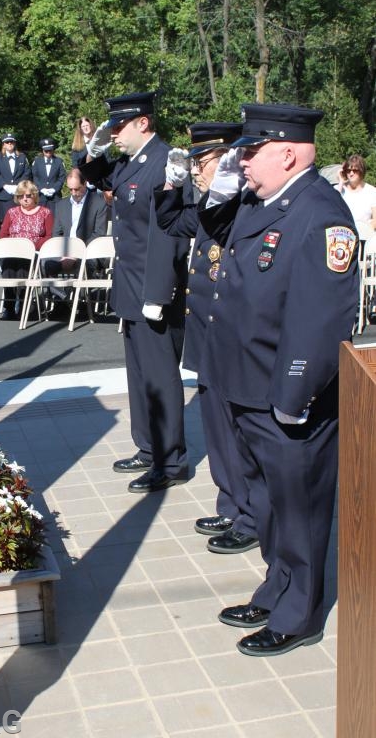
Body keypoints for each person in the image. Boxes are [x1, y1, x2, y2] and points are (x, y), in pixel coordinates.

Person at [179, 103, 358, 656]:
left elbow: (321, 318)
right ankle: (275, 586)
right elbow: (211, 230)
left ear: (287, 152)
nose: (241, 162)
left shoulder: (321, 214)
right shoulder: (263, 201)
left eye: (251, 152)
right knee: (272, 504)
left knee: (299, 509)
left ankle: (298, 613)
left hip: (286, 396)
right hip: (245, 386)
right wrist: (223, 186)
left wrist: (293, 395)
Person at [157, 122, 260, 555]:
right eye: (196, 164)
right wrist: (170, 182)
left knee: (238, 432)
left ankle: (249, 515)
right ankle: (229, 501)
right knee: (216, 429)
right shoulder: (211, 205)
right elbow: (168, 221)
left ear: (228, 162)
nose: (197, 171)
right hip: (204, 334)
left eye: (203, 162)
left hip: (229, 337)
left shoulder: (240, 207)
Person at [80, 91, 190, 493]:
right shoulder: (131, 163)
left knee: (160, 377)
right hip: (130, 285)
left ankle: (171, 458)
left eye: (119, 127)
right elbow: (100, 177)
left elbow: (172, 234)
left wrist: (159, 292)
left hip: (154, 288)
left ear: (143, 122)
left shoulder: (167, 163)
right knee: (140, 376)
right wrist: (90, 153)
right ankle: (149, 448)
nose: (114, 134)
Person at [44, 168, 109, 305]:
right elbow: (57, 234)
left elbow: (98, 234)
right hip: (64, 253)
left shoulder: (98, 203)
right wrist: (63, 255)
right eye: (70, 189)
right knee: (44, 265)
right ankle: (64, 298)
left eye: (77, 189)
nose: (73, 193)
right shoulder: (61, 205)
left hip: (88, 253)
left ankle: (78, 304)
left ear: (85, 183)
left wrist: (75, 254)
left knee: (82, 266)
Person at [0, 180, 53, 320]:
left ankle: (23, 305)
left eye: (28, 195)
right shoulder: (11, 212)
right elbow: (2, 235)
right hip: (12, 251)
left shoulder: (45, 212)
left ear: (34, 195)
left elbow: (49, 236)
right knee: (8, 266)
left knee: (23, 266)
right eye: (21, 196)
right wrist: (13, 246)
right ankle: (9, 307)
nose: (25, 199)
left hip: (33, 252)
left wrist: (32, 245)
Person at [0, 133, 31, 221]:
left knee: (21, 221)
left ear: (15, 143)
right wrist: (5, 186)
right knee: (6, 222)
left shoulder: (22, 157)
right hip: (4, 196)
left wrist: (18, 186)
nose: (9, 144)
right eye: (7, 142)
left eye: (11, 142)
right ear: (3, 144)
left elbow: (27, 172)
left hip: (19, 194)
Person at [336, 154, 376, 237]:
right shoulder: (338, 189)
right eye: (348, 170)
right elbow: (330, 207)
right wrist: (341, 182)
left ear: (361, 171)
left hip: (364, 237)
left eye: (355, 170)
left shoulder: (372, 191)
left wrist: (365, 233)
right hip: (341, 237)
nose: (351, 173)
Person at [31, 138, 67, 208]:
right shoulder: (37, 162)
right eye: (46, 151)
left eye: (50, 150)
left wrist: (54, 189)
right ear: (42, 150)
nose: (48, 152)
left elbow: (62, 177)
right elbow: (34, 177)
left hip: (55, 197)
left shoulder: (59, 162)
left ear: (53, 150)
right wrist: (41, 189)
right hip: (40, 197)